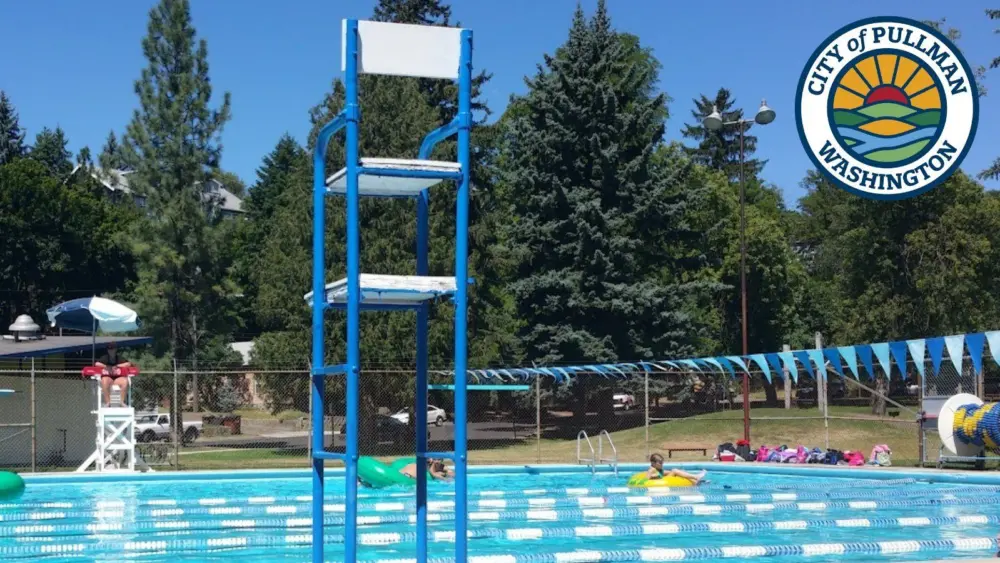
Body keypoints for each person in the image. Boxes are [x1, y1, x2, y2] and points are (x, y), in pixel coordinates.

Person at [95, 342, 132, 408]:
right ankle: (108, 403)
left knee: (125, 381)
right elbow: (97, 364)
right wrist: (107, 367)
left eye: (112, 349)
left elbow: (128, 364)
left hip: (117, 379)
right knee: (104, 380)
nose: (111, 351)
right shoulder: (105, 358)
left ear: (115, 350)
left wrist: (117, 366)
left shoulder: (119, 358)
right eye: (109, 349)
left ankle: (122, 402)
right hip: (108, 379)